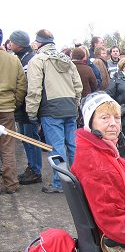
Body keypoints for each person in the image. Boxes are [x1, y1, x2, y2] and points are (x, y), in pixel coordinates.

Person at [71, 92, 125, 252]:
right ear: (90, 123)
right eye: (105, 118)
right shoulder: (96, 164)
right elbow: (112, 219)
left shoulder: (102, 151)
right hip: (119, 243)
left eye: (117, 118)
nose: (113, 124)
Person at [26, 29, 83, 194]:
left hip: (51, 109)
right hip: (70, 106)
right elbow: (77, 86)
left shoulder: (38, 60)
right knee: (73, 145)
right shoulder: (67, 59)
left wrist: (31, 111)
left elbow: (34, 89)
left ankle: (61, 183)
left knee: (56, 147)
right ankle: (79, 180)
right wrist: (75, 104)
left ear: (39, 42)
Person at [10, 30, 41, 185]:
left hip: (28, 107)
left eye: (12, 42)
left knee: (31, 139)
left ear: (20, 44)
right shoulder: (22, 58)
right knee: (25, 138)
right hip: (23, 107)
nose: (10, 44)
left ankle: (35, 170)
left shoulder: (29, 60)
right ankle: (32, 167)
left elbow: (29, 86)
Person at [0, 28, 27, 194]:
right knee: (8, 147)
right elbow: (21, 85)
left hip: (7, 106)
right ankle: (11, 184)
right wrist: (14, 103)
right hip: (7, 109)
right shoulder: (13, 60)